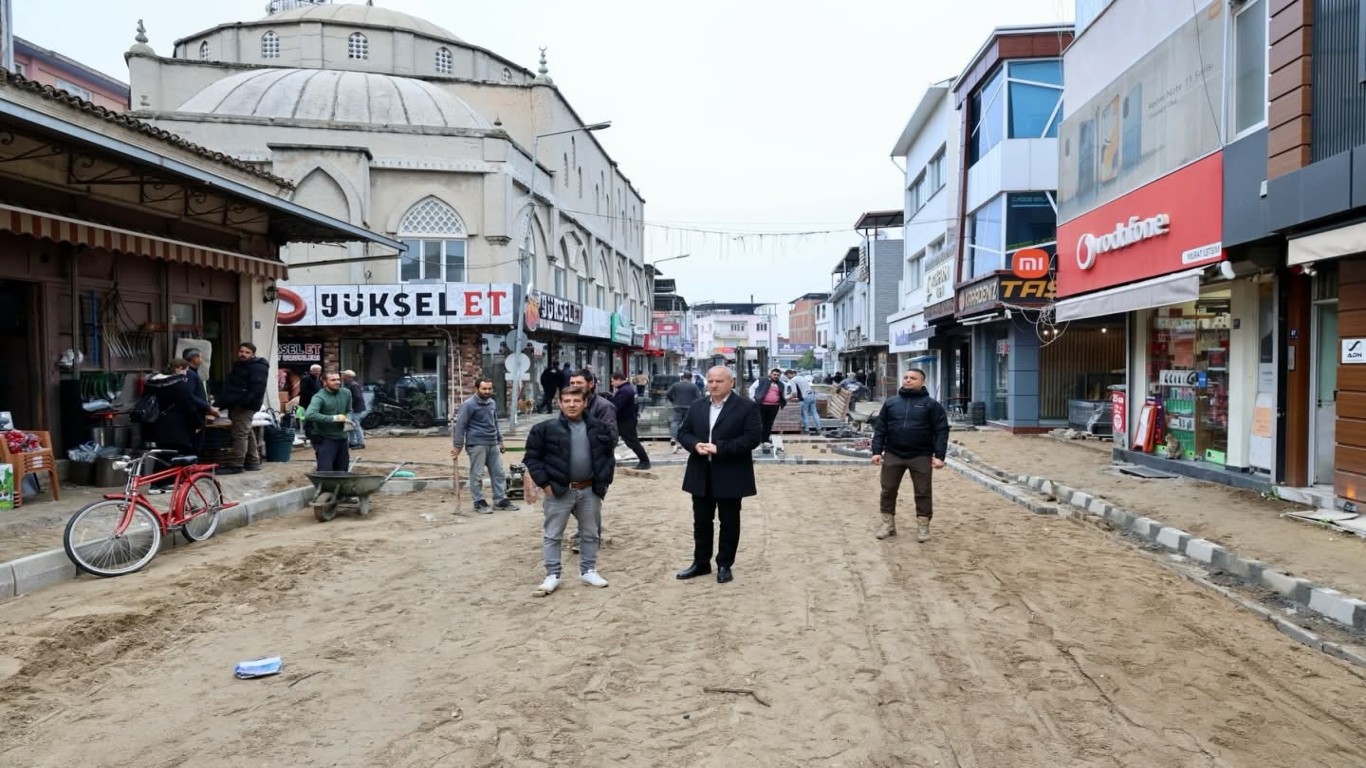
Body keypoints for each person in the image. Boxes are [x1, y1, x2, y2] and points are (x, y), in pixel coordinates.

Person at [523, 386, 616, 596]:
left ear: (585, 403)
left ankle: (588, 570)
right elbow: (532, 458)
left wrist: (604, 481)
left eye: (576, 400)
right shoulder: (545, 429)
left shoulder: (599, 428)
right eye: (567, 401)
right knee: (553, 534)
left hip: (589, 489)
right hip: (558, 490)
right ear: (559, 403)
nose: (571, 405)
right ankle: (552, 574)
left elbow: (607, 456)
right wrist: (545, 484)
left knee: (590, 533)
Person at [676, 365, 763, 584]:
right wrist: (695, 444)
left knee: (729, 522)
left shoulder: (746, 407)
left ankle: (724, 564)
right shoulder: (697, 405)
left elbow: (752, 438)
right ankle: (701, 563)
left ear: (731, 382)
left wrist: (720, 447)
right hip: (700, 472)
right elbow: (683, 433)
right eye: (710, 381)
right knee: (701, 522)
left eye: (719, 381)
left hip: (730, 473)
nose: (713, 385)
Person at [870, 368, 950, 542]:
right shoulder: (891, 403)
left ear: (922, 382)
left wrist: (939, 456)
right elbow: (881, 429)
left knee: (923, 492)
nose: (908, 380)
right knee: (888, 490)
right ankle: (888, 525)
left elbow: (941, 431)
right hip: (893, 454)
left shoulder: (932, 405)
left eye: (913, 378)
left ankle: (923, 527)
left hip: (921, 455)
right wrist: (876, 451)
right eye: (906, 377)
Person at [451, 377, 519, 513]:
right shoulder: (468, 405)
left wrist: (500, 440)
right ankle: (479, 502)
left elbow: (495, 422)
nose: (487, 391)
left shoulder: (492, 403)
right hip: (476, 444)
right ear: (476, 389)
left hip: (492, 442)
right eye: (484, 389)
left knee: (498, 472)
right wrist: (457, 446)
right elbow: (460, 426)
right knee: (477, 474)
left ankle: (500, 500)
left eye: (489, 388)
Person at [143, 358, 218, 476]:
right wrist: (198, 423)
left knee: (162, 456)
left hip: (156, 424)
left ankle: (158, 481)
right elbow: (189, 405)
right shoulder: (178, 385)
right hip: (176, 426)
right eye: (185, 370)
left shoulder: (152, 383)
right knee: (175, 456)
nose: (186, 374)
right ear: (179, 369)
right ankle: (168, 481)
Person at [215, 342, 269, 474]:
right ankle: (253, 462)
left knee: (239, 435)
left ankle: (237, 465)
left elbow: (256, 389)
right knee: (246, 432)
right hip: (238, 405)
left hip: (244, 406)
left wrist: (242, 404)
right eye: (241, 351)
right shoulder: (240, 365)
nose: (243, 354)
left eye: (247, 352)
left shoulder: (257, 367)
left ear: (253, 354)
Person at [302, 371, 353, 471]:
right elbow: (309, 415)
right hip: (325, 439)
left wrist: (348, 419)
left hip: (342, 439)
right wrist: (334, 418)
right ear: (324, 382)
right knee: (325, 471)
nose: (337, 382)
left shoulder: (346, 393)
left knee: (342, 470)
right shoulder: (319, 397)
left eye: (338, 379)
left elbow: (349, 410)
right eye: (333, 380)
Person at [609, 372, 650, 470]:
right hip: (628, 419)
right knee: (611, 440)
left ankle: (644, 461)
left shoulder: (624, 391)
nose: (612, 383)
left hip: (625, 421)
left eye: (613, 381)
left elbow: (616, 406)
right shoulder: (629, 388)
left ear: (619, 380)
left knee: (632, 442)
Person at [568, 369, 618, 444]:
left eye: (579, 383)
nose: (575, 386)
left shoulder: (604, 406)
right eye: (572, 383)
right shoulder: (568, 404)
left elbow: (611, 437)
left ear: (591, 384)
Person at [750, 367, 787, 446]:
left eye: (778, 375)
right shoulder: (761, 380)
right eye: (774, 374)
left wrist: (782, 401)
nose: (776, 376)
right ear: (770, 374)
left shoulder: (781, 384)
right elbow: (752, 388)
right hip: (761, 405)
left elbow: (784, 394)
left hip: (774, 406)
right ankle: (759, 440)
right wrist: (753, 399)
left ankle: (765, 440)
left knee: (769, 424)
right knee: (760, 423)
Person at [666, 372, 702, 453]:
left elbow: (668, 393)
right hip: (689, 407)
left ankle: (673, 438)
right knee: (689, 423)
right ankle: (688, 439)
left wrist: (673, 401)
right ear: (691, 378)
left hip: (677, 406)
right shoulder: (693, 386)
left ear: (682, 377)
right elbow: (698, 397)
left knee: (675, 422)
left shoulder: (676, 385)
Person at [786, 369, 819, 435]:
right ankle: (819, 429)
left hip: (805, 397)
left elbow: (794, 392)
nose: (788, 378)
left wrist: (789, 397)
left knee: (804, 413)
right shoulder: (802, 377)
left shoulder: (793, 380)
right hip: (812, 395)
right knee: (814, 412)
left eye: (787, 376)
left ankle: (807, 430)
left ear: (789, 374)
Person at [299, 364, 324, 443]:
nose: (318, 372)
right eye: (316, 371)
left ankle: (315, 434)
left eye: (319, 371)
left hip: (316, 403)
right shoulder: (306, 379)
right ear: (311, 371)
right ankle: (309, 436)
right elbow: (304, 391)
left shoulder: (318, 379)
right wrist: (316, 396)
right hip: (308, 403)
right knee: (309, 420)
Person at [342, 370, 366, 449]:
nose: (342, 377)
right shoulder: (350, 384)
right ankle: (353, 442)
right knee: (351, 425)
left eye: (344, 375)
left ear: (348, 376)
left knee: (355, 425)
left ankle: (360, 442)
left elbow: (357, 397)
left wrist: (350, 406)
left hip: (355, 408)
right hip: (353, 408)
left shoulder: (353, 385)